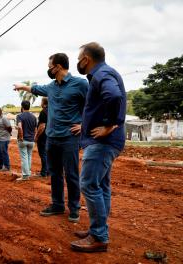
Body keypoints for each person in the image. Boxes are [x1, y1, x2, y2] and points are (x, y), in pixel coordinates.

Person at [13, 53, 88, 223]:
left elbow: (93, 105)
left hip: (70, 138)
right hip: (52, 138)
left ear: (59, 67)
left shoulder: (81, 84)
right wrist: (22, 86)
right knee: (55, 173)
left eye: (50, 67)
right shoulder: (52, 87)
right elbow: (36, 89)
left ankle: (74, 208)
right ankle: (57, 204)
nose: (49, 70)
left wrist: (84, 125)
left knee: (71, 174)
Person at [70, 42, 126, 252]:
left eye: (78, 59)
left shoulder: (102, 74)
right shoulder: (104, 74)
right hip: (105, 142)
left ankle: (99, 237)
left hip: (102, 143)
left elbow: (113, 96)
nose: (78, 63)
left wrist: (109, 125)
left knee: (89, 185)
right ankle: (97, 230)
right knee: (101, 186)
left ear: (86, 58)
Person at [15, 100, 37, 181]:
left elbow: (20, 127)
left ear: (22, 107)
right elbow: (35, 129)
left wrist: (21, 136)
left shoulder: (19, 116)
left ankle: (25, 176)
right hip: (31, 140)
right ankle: (28, 173)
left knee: (24, 157)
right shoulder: (34, 117)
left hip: (23, 140)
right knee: (29, 156)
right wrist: (34, 138)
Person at [0, 106, 12, 171]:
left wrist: (9, 133)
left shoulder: (4, 118)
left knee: (4, 152)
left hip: (4, 139)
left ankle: (7, 167)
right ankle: (0, 165)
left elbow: (9, 127)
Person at [34, 97, 49, 177]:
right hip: (50, 136)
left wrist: (36, 136)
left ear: (44, 103)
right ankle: (48, 171)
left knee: (43, 154)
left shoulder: (43, 112)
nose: (40, 103)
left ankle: (44, 172)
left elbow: (42, 126)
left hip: (43, 137)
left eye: (41, 101)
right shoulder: (51, 111)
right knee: (48, 154)